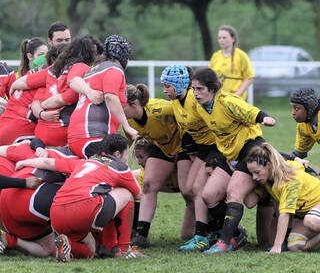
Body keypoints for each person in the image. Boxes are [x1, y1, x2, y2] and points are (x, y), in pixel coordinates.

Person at [16, 134, 146, 261]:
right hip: (84, 210)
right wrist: (126, 174)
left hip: (56, 213)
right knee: (124, 194)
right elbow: (138, 194)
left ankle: (71, 247)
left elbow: (48, 162)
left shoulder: (84, 162)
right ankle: (123, 249)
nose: (126, 159)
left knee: (89, 251)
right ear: (117, 154)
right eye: (126, 154)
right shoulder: (120, 167)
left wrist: (23, 162)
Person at [190, 67, 276, 254]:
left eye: (200, 89)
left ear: (212, 89)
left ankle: (224, 242)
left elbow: (248, 110)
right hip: (230, 155)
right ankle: (236, 233)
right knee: (209, 195)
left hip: (251, 149)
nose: (195, 93)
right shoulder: (200, 106)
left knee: (234, 193)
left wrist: (264, 117)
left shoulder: (227, 101)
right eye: (193, 89)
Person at [160, 65, 221, 252]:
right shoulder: (176, 103)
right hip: (201, 149)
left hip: (215, 147)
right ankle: (209, 229)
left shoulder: (196, 101)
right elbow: (186, 130)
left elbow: (217, 120)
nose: (164, 90)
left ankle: (206, 233)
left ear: (178, 85)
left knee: (196, 188)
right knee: (187, 189)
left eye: (167, 86)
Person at [122, 84, 188, 247]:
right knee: (149, 184)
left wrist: (187, 147)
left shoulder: (162, 109)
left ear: (135, 104)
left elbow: (189, 117)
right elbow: (129, 140)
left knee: (190, 191)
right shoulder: (128, 119)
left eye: (121, 105)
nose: (117, 109)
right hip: (162, 148)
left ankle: (216, 228)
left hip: (185, 147)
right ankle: (141, 235)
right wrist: (121, 160)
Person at [11, 37, 102, 146]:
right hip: (60, 130)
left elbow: (26, 81)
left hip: (40, 132)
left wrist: (12, 87)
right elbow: (69, 93)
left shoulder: (51, 70)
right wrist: (90, 92)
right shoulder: (81, 67)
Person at [67, 34, 137, 158]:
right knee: (116, 170)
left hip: (76, 135)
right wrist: (127, 127)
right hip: (93, 135)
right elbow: (110, 96)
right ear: (123, 56)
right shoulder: (114, 68)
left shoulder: (93, 70)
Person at [246, 142, 320, 253]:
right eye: (252, 174)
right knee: (295, 246)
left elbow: (285, 214)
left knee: (311, 221)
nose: (254, 177)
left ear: (269, 165)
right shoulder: (269, 178)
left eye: (257, 172)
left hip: (315, 207)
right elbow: (250, 203)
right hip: (305, 212)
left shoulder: (289, 181)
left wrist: (277, 246)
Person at [0, 45, 67, 145]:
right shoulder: (50, 77)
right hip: (19, 129)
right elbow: (38, 103)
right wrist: (42, 114)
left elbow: (23, 83)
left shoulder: (30, 77)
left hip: (8, 123)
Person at [132, 137, 195, 242]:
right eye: (137, 157)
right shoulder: (146, 175)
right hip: (175, 189)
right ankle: (137, 234)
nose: (139, 162)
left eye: (141, 157)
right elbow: (141, 199)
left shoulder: (182, 167)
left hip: (190, 197)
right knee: (187, 236)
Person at [209, 25, 254, 100]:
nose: (221, 40)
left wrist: (237, 94)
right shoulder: (215, 56)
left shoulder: (241, 55)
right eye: (219, 38)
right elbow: (210, 77)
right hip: (218, 98)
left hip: (236, 99)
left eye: (224, 37)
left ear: (233, 39)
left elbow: (249, 78)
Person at [290, 88, 320, 160]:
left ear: (310, 107)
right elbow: (298, 153)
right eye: (292, 108)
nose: (293, 113)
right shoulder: (303, 126)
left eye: (297, 108)